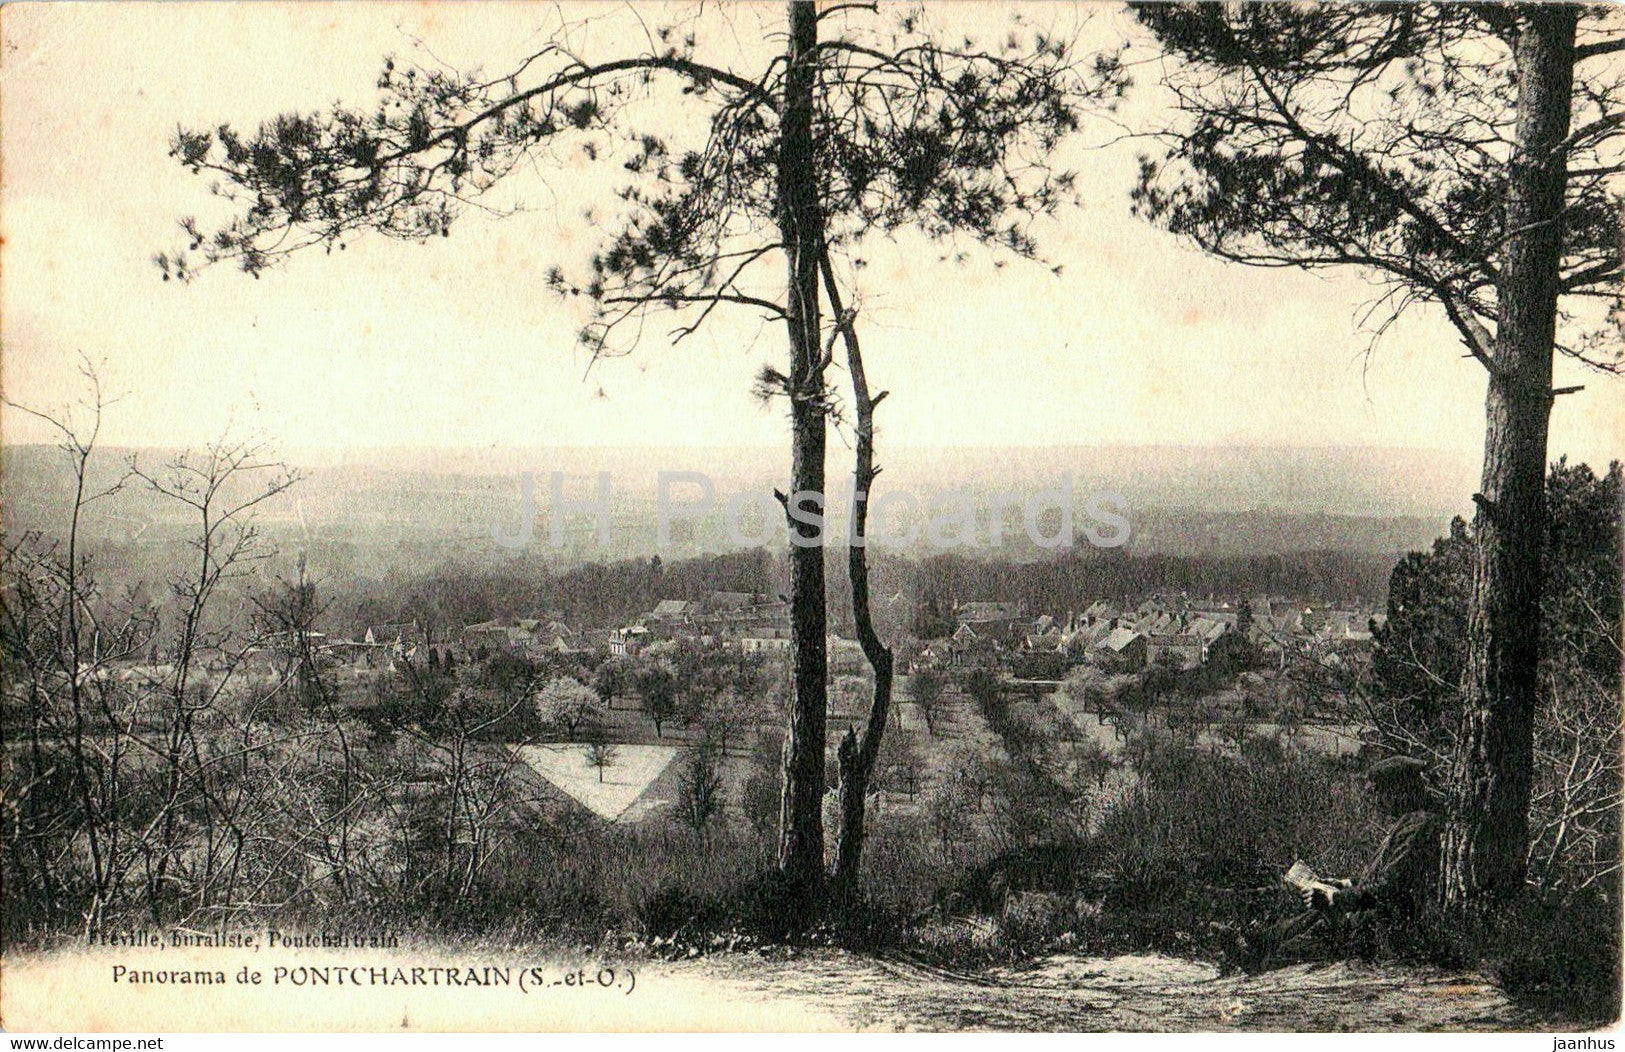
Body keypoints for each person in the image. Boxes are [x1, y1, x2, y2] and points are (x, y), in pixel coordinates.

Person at [1221, 755, 1441, 973]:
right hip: (1375, 919)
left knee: (1308, 938)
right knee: (1311, 916)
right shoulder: (1411, 822)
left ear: (1398, 791)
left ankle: (1256, 962)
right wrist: (1343, 884)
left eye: (1380, 792)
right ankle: (1254, 944)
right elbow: (1386, 876)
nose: (1377, 801)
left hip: (1384, 930)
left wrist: (1334, 898)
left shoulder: (1418, 828)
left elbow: (1389, 889)